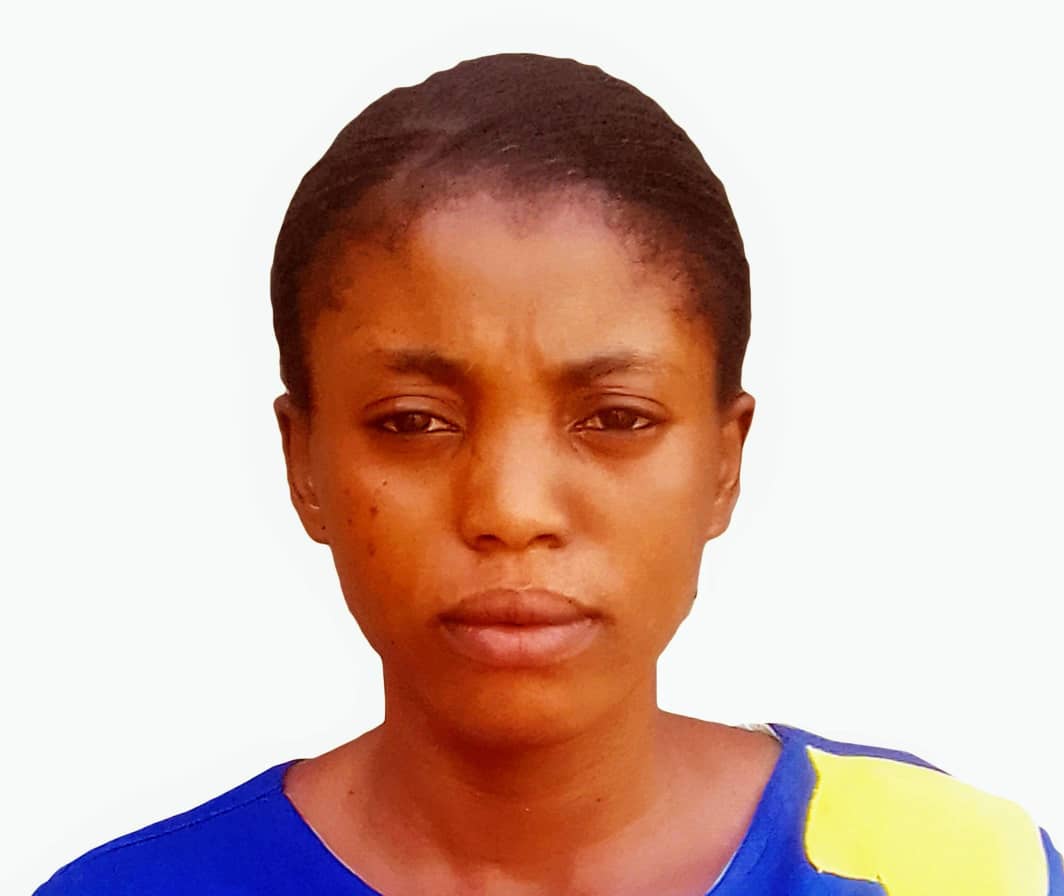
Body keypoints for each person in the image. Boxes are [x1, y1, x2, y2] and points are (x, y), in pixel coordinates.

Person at [34, 52, 1062, 896]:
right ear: (304, 461)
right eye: (412, 421)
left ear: (723, 460)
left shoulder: (951, 870)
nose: (511, 509)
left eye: (616, 419)